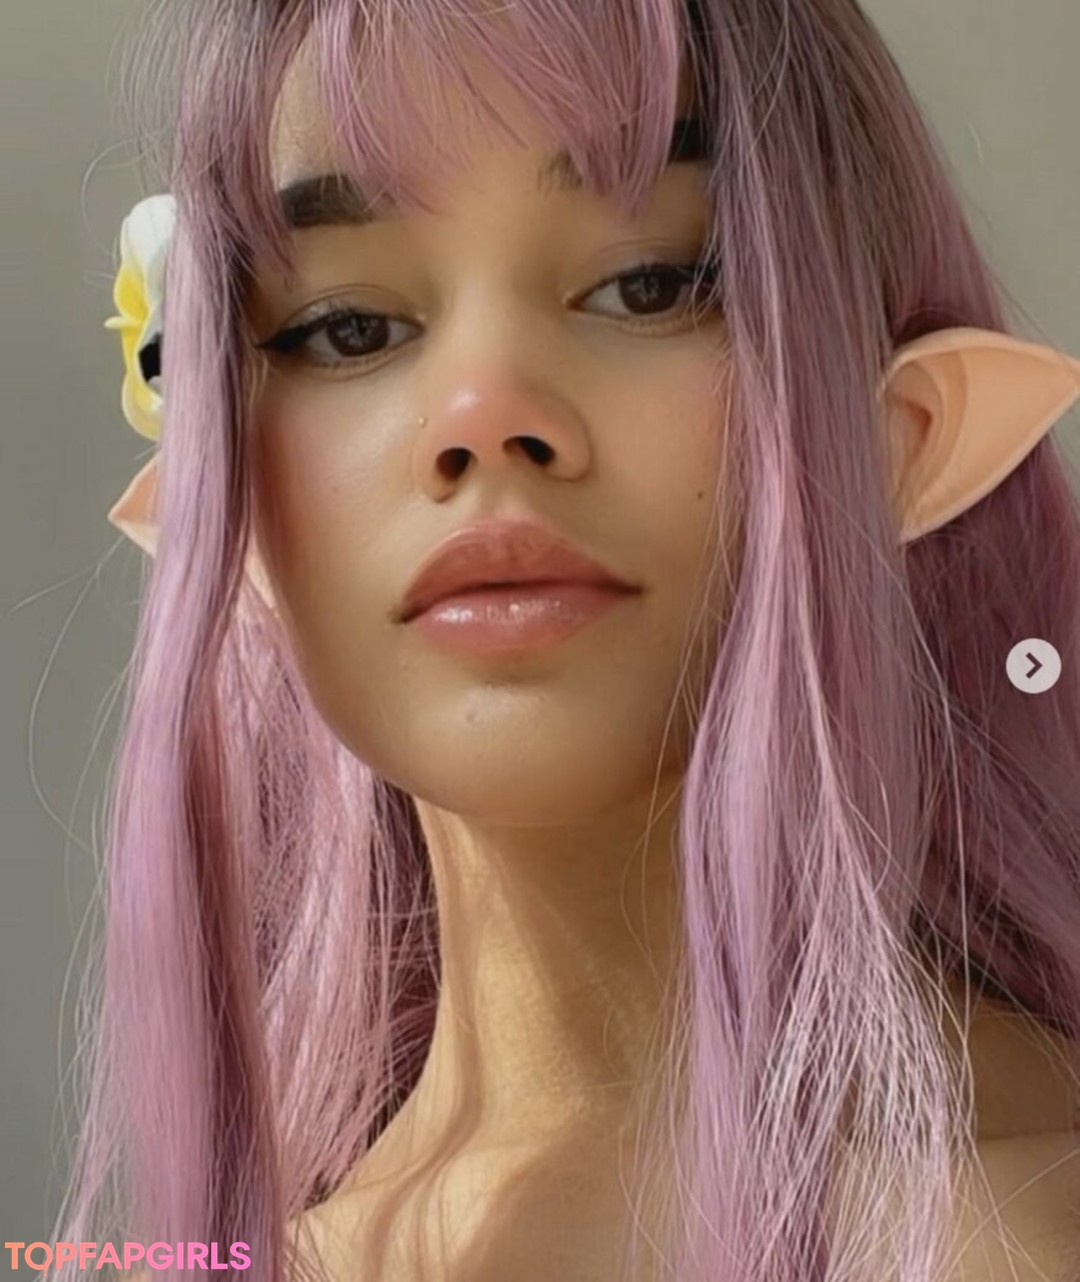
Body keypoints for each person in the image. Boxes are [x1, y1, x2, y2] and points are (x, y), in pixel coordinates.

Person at [51, 1, 1080, 1279]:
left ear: (909, 438)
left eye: (650, 283)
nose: (483, 416)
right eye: (348, 328)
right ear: (232, 515)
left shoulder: (1013, 1226)